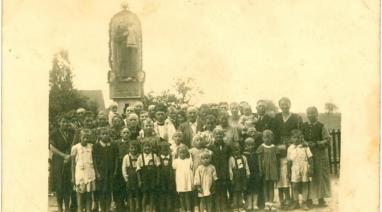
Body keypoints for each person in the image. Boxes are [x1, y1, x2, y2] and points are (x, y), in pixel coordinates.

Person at [302, 106, 331, 207]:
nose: (311, 115)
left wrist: (317, 143)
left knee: (319, 176)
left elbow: (327, 140)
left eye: (313, 113)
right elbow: (301, 138)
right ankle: (308, 199)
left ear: (317, 114)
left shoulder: (322, 126)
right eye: (309, 113)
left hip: (319, 155)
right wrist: (306, 143)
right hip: (307, 154)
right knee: (308, 175)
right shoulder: (304, 126)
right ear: (307, 114)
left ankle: (321, 198)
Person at [49, 114, 75, 212]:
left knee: (67, 185)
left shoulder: (72, 133)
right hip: (58, 161)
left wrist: (69, 156)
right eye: (63, 121)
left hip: (69, 160)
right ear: (59, 123)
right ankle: (60, 207)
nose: (65, 123)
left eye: (66, 121)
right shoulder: (54, 133)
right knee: (59, 185)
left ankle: (67, 207)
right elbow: (51, 147)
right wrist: (63, 155)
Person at [93, 127, 118, 212]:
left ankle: (108, 208)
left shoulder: (113, 145)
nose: (105, 136)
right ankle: (101, 207)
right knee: (101, 190)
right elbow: (95, 160)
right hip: (101, 172)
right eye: (103, 134)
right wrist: (97, 173)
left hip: (110, 171)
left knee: (109, 190)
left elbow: (116, 159)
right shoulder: (96, 146)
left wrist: (115, 170)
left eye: (106, 134)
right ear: (100, 135)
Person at [71, 129, 97, 212]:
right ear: (80, 137)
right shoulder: (75, 147)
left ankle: (88, 210)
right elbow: (73, 164)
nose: (85, 139)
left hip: (89, 173)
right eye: (84, 137)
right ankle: (80, 210)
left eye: (87, 137)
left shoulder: (91, 147)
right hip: (79, 174)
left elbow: (94, 161)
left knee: (89, 194)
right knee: (79, 195)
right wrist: (73, 177)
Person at [287, 129, 313, 210]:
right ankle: (296, 202)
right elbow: (289, 161)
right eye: (294, 137)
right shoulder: (290, 148)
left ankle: (304, 202)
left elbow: (310, 158)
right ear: (291, 138)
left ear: (301, 138)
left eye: (298, 137)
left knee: (305, 184)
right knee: (294, 185)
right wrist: (288, 171)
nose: (296, 139)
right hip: (294, 168)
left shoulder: (305, 147)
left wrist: (311, 168)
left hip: (304, 167)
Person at [208, 127, 231, 212]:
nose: (218, 136)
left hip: (224, 172)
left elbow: (229, 159)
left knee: (224, 191)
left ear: (223, 135)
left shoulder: (227, 147)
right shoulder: (211, 147)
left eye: (220, 134)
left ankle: (224, 208)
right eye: (216, 134)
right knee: (216, 191)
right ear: (213, 136)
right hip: (215, 172)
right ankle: (217, 208)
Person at [256, 130, 278, 211]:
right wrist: (260, 169)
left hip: (272, 169)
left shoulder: (274, 147)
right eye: (265, 137)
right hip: (265, 169)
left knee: (271, 186)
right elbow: (259, 159)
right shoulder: (261, 147)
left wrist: (276, 170)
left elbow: (276, 159)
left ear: (272, 138)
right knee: (265, 186)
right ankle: (266, 203)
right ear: (262, 138)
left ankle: (271, 204)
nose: (268, 139)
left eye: (269, 137)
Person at [189, 134, 211, 212]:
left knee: (204, 188)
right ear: (194, 142)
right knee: (196, 188)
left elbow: (211, 153)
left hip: (204, 171)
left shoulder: (205, 150)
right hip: (195, 171)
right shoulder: (191, 150)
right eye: (197, 140)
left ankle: (204, 206)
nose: (199, 142)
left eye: (200, 140)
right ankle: (196, 205)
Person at [137, 141, 160, 212]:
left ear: (151, 147)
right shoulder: (141, 157)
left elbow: (158, 168)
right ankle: (144, 210)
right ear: (142, 147)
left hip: (152, 178)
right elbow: (138, 170)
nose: (147, 148)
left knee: (152, 195)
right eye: (145, 146)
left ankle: (151, 209)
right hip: (144, 179)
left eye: (149, 146)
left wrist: (157, 179)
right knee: (145, 195)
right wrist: (139, 180)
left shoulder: (154, 156)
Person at [113, 128, 132, 211]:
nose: (126, 134)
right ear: (121, 134)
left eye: (128, 132)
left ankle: (129, 203)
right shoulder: (116, 143)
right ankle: (119, 204)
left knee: (128, 184)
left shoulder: (132, 143)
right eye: (124, 132)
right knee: (119, 186)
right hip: (119, 165)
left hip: (129, 165)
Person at [229, 144, 250, 212]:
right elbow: (230, 169)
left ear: (240, 149)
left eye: (237, 149)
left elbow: (246, 166)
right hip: (235, 177)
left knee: (241, 192)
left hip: (242, 177)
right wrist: (231, 178)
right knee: (235, 192)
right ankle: (235, 207)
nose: (236, 151)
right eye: (234, 150)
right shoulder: (231, 159)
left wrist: (247, 173)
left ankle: (241, 206)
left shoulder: (243, 157)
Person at [173, 145, 194, 212]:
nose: (182, 154)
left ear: (186, 153)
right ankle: (183, 209)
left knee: (187, 195)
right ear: (178, 153)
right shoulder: (176, 161)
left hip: (187, 180)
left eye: (184, 152)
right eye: (180, 152)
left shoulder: (189, 160)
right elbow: (174, 170)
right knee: (181, 195)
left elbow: (191, 168)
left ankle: (188, 209)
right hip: (180, 180)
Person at [122, 140, 141, 212]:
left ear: (137, 148)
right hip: (130, 178)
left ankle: (138, 207)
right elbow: (123, 168)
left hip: (137, 178)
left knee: (137, 192)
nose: (133, 149)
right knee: (130, 193)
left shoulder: (139, 156)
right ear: (129, 149)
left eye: (135, 148)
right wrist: (126, 178)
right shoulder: (126, 157)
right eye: (132, 148)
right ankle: (131, 207)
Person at [157, 142, 176, 212]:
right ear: (160, 151)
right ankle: (162, 206)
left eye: (167, 150)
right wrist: (158, 178)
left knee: (169, 191)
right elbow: (158, 169)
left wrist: (172, 176)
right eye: (163, 150)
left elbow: (172, 168)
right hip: (162, 178)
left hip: (169, 177)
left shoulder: (171, 157)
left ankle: (169, 206)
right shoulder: (158, 158)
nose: (165, 152)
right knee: (162, 191)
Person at [243, 137, 260, 211]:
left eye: (252, 145)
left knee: (256, 188)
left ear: (255, 145)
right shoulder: (244, 155)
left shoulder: (256, 154)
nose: (250, 147)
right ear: (245, 146)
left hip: (255, 173)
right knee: (249, 189)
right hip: (247, 174)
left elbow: (259, 164)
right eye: (248, 145)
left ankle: (255, 204)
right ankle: (249, 204)